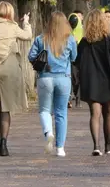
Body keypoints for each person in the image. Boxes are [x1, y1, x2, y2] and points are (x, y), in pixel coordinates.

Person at [0, 2, 33, 157]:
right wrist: (26, 23)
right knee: (5, 108)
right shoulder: (13, 27)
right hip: (9, 70)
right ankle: (4, 144)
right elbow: (27, 36)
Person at [28, 12, 78, 157]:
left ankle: (48, 132)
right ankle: (60, 148)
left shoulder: (40, 39)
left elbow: (31, 56)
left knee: (44, 110)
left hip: (45, 77)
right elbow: (74, 57)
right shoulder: (70, 39)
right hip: (63, 78)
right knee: (61, 113)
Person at [77, 11, 110, 156]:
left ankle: (96, 145)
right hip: (108, 80)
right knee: (108, 114)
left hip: (91, 82)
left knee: (94, 114)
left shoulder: (84, 42)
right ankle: (108, 144)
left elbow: (78, 61)